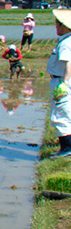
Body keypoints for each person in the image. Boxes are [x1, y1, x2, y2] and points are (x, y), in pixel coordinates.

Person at [47, 10, 71, 156]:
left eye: (58, 24)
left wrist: (64, 83)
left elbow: (69, 63)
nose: (56, 26)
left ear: (65, 27)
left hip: (61, 80)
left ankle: (67, 148)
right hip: (61, 79)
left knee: (60, 114)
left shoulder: (66, 43)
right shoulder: (66, 40)